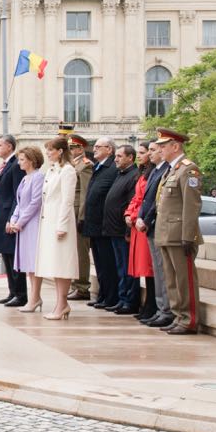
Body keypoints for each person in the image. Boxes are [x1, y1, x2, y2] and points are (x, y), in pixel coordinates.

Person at [153, 129, 204, 335]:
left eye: (164, 146)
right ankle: (178, 316)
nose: (160, 150)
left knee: (185, 280)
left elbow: (191, 206)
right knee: (172, 280)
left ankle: (189, 319)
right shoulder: (171, 170)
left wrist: (188, 235)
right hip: (166, 233)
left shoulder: (189, 170)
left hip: (179, 234)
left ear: (176, 146)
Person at [33, 137, 78, 320]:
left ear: (60, 151)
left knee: (62, 265)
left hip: (61, 223)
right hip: (49, 221)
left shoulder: (67, 171)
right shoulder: (53, 170)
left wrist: (62, 225)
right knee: (55, 264)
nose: (48, 153)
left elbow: (68, 200)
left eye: (51, 150)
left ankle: (62, 304)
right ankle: (61, 304)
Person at [136, 140, 175, 328]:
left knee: (163, 271)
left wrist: (146, 218)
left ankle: (166, 310)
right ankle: (161, 309)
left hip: (159, 225)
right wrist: (139, 216)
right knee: (159, 271)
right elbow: (146, 199)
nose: (151, 153)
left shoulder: (166, 170)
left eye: (154, 150)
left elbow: (156, 202)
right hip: (151, 226)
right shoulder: (156, 171)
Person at [82, 138, 119, 310]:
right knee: (100, 264)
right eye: (95, 146)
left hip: (104, 224)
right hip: (94, 224)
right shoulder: (98, 166)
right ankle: (103, 295)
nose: (94, 149)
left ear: (109, 149)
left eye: (98, 147)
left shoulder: (111, 168)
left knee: (107, 263)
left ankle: (110, 297)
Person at [0, 134, 28, 307]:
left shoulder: (15, 165)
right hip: (0, 215)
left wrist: (11, 218)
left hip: (9, 217)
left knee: (14, 257)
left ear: (9, 146)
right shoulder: (5, 165)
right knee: (6, 256)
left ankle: (21, 294)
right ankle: (12, 291)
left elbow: (17, 195)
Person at [103, 145, 139, 314]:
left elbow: (131, 204)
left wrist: (126, 230)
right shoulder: (121, 174)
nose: (115, 159)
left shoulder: (134, 175)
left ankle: (129, 300)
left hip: (122, 230)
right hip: (112, 229)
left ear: (130, 158)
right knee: (120, 266)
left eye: (119, 156)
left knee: (126, 267)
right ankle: (121, 297)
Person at [8, 146, 45, 311]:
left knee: (33, 263)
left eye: (22, 159)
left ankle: (35, 298)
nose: (19, 163)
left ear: (32, 160)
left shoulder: (38, 177)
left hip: (32, 224)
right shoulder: (25, 178)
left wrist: (20, 222)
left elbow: (35, 203)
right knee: (27, 264)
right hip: (23, 224)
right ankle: (34, 298)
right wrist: (14, 219)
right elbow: (20, 202)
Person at [125, 142, 157, 323]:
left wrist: (137, 215)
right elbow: (136, 198)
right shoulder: (143, 173)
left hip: (144, 223)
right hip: (137, 223)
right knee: (144, 268)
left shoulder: (152, 173)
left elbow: (148, 200)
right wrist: (129, 213)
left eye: (144, 152)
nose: (141, 155)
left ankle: (151, 305)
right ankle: (148, 305)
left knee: (150, 268)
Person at [66, 134, 95, 301]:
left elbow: (85, 193)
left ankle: (82, 286)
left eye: (73, 148)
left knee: (80, 252)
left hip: (78, 212)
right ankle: (74, 284)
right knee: (72, 251)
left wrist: (82, 217)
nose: (70, 151)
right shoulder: (72, 165)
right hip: (71, 211)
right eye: (68, 148)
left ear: (80, 149)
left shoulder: (85, 166)